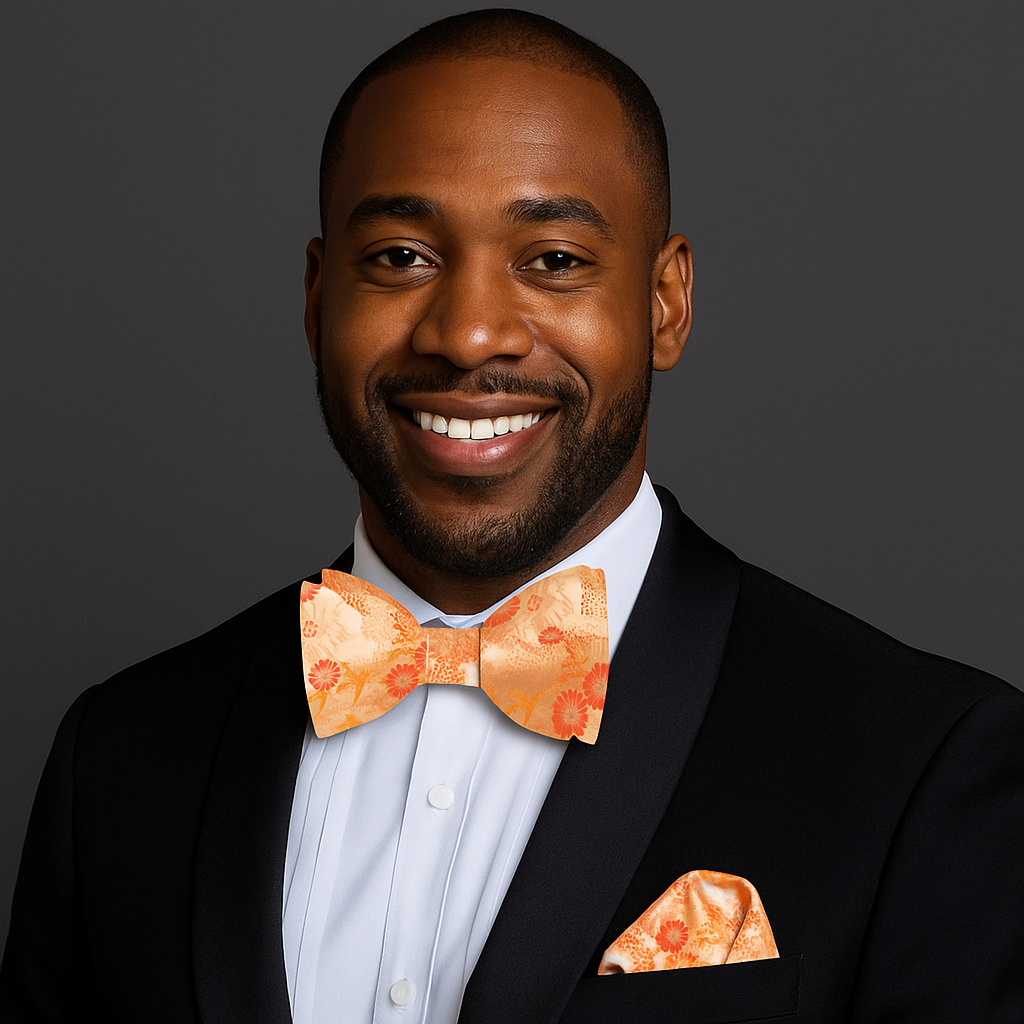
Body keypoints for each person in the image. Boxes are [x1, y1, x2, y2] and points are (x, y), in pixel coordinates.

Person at [3, 9, 1022, 1023]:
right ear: (317, 301)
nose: (468, 334)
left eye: (553, 261)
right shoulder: (122, 759)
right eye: (401, 256)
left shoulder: (917, 765)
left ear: (665, 303)